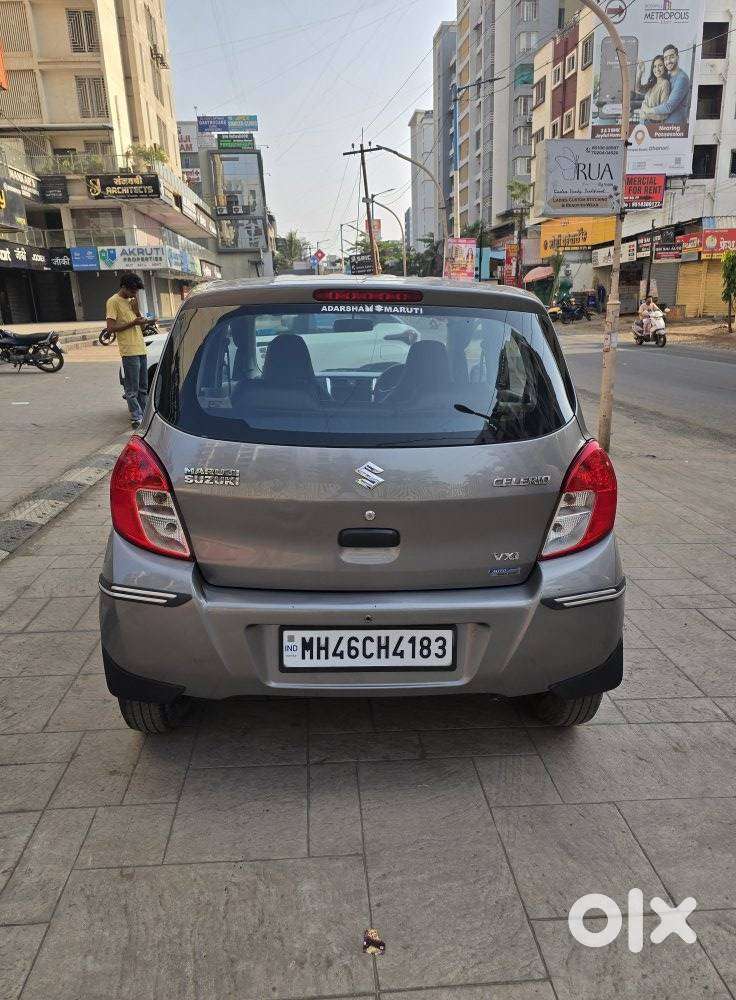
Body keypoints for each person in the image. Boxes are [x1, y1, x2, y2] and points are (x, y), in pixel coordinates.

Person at [106, 272, 153, 429]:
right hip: (129, 350)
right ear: (123, 287)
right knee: (132, 388)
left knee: (143, 387)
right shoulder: (113, 302)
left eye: (137, 291)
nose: (135, 294)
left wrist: (138, 314)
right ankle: (136, 417)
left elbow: (142, 326)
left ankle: (145, 415)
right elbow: (110, 328)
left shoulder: (132, 302)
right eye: (132, 291)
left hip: (140, 348)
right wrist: (133, 323)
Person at [645, 44, 690, 125]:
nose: (668, 61)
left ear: (677, 57)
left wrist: (648, 110)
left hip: (675, 128)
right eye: (665, 58)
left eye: (671, 57)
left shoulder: (682, 79)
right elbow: (656, 95)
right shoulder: (668, 77)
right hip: (664, 127)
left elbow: (669, 107)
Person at [636, 54, 671, 123]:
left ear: (665, 67)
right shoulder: (653, 83)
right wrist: (640, 73)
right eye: (655, 66)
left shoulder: (665, 83)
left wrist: (646, 113)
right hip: (643, 122)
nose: (657, 69)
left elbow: (664, 112)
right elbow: (638, 89)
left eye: (660, 65)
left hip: (652, 124)